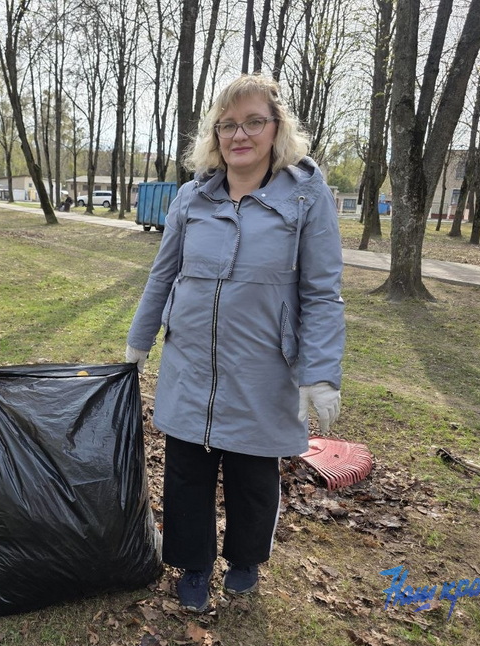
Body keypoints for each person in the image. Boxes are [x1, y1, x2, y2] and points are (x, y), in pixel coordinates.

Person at [125, 74, 345, 613]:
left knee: (252, 474)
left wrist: (319, 371)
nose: (239, 135)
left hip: (263, 366)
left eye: (253, 122)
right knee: (186, 471)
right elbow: (163, 274)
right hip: (190, 363)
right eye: (228, 125)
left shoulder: (306, 195)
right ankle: (193, 566)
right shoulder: (192, 196)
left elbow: (321, 290)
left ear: (276, 128)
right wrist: (139, 341)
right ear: (215, 134)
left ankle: (244, 562)